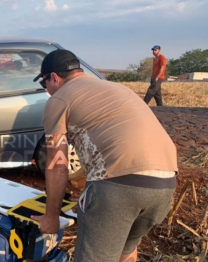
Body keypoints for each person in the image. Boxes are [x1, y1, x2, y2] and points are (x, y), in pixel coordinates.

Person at [30, 49, 177, 262]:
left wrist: (51, 217)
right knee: (126, 252)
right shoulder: (116, 88)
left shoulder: (59, 99)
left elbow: (57, 164)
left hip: (119, 186)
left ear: (54, 77)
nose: (47, 91)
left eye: (45, 84)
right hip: (165, 183)